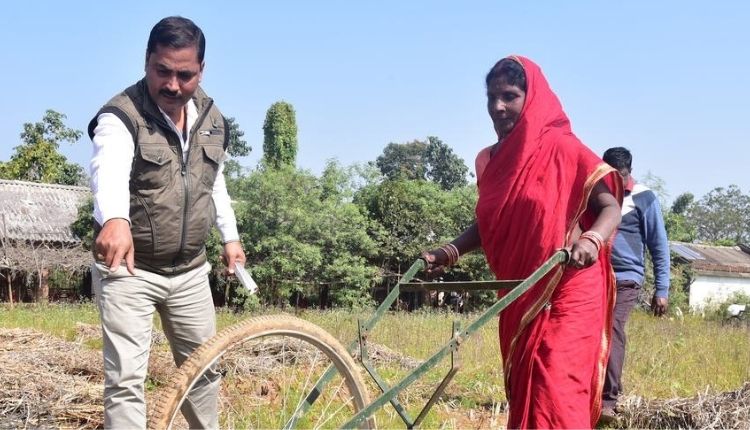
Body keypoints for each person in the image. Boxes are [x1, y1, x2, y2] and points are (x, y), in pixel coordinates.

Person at [422, 56, 623, 428]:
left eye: (509, 96)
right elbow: (489, 223)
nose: (497, 107)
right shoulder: (491, 161)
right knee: (526, 387)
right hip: (521, 290)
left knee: (556, 389)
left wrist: (593, 239)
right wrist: (448, 251)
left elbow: (609, 206)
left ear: (531, 99)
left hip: (569, 288)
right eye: (491, 97)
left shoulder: (564, 149)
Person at [88, 16, 245, 429]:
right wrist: (116, 219)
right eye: (163, 71)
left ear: (201, 70)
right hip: (130, 269)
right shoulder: (120, 116)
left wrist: (230, 237)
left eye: (184, 74)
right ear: (146, 62)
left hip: (191, 271)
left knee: (204, 373)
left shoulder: (212, 120)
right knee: (125, 382)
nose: (173, 84)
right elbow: (109, 170)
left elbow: (215, 181)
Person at [600, 147, 670, 421]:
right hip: (596, 275)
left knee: (613, 329)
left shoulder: (643, 197)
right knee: (590, 333)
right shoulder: (596, 193)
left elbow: (659, 245)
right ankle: (588, 393)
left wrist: (661, 289)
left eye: (623, 176)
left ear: (629, 172)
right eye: (612, 176)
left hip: (627, 277)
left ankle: (609, 400)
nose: (618, 182)